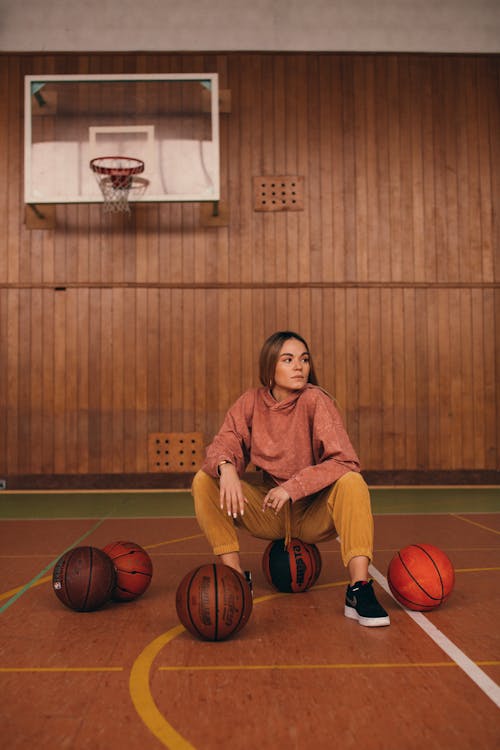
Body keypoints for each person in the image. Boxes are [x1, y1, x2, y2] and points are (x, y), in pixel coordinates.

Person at [192, 330, 390, 627]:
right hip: (269, 509)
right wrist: (227, 467)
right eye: (288, 359)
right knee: (204, 480)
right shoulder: (250, 402)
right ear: (269, 367)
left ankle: (359, 589)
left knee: (352, 481)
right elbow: (223, 443)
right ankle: (234, 578)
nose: (299, 366)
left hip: (312, 513)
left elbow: (345, 460)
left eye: (304, 359)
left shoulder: (315, 400)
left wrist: (294, 487)